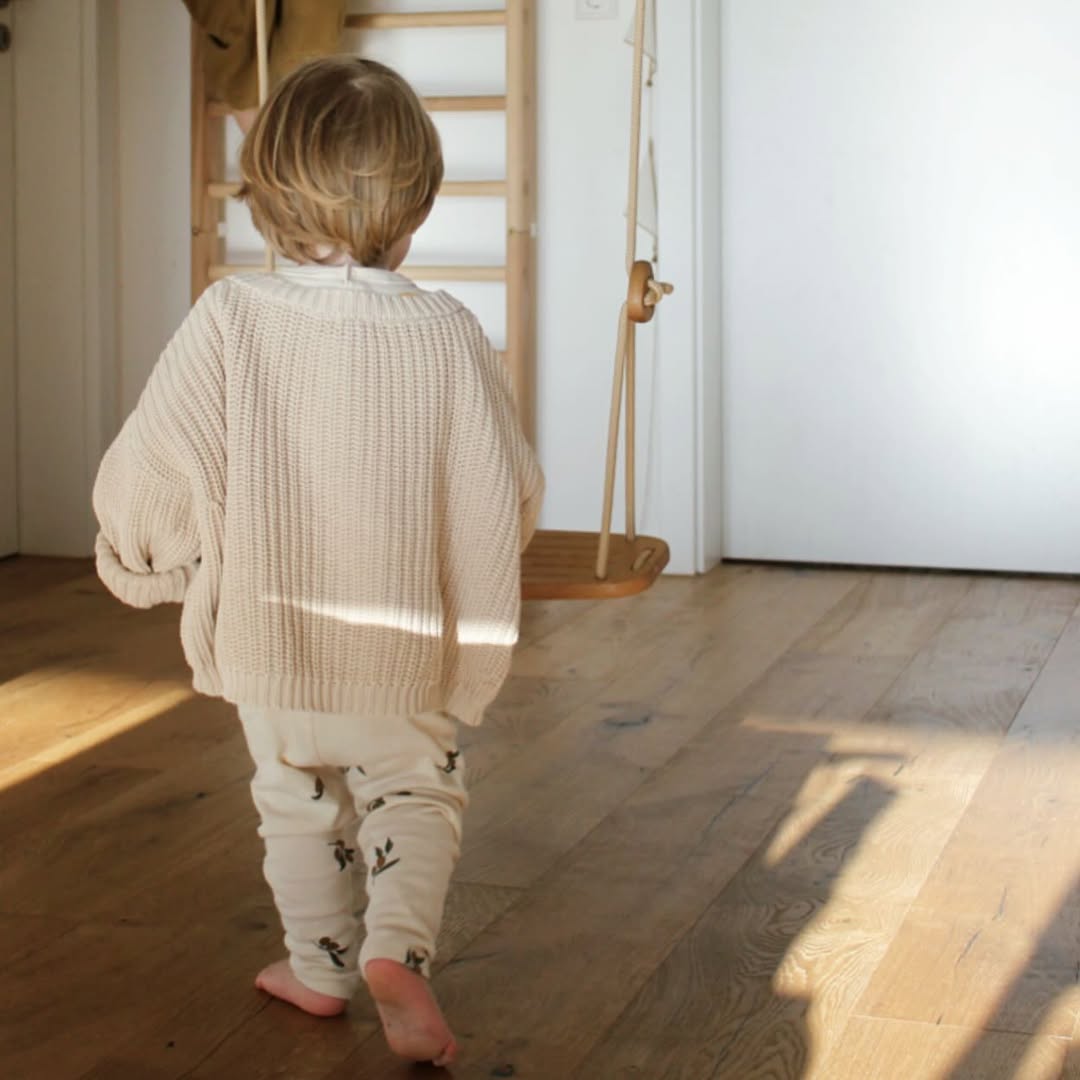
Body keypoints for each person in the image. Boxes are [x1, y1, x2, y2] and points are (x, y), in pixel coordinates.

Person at [92, 56, 544, 1068]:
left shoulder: (227, 321)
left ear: (261, 200)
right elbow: (504, 488)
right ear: (417, 207)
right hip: (404, 658)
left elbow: (153, 471)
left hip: (273, 646)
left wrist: (145, 557)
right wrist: (477, 557)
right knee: (416, 793)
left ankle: (318, 966)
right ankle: (396, 951)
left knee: (291, 803)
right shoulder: (449, 331)